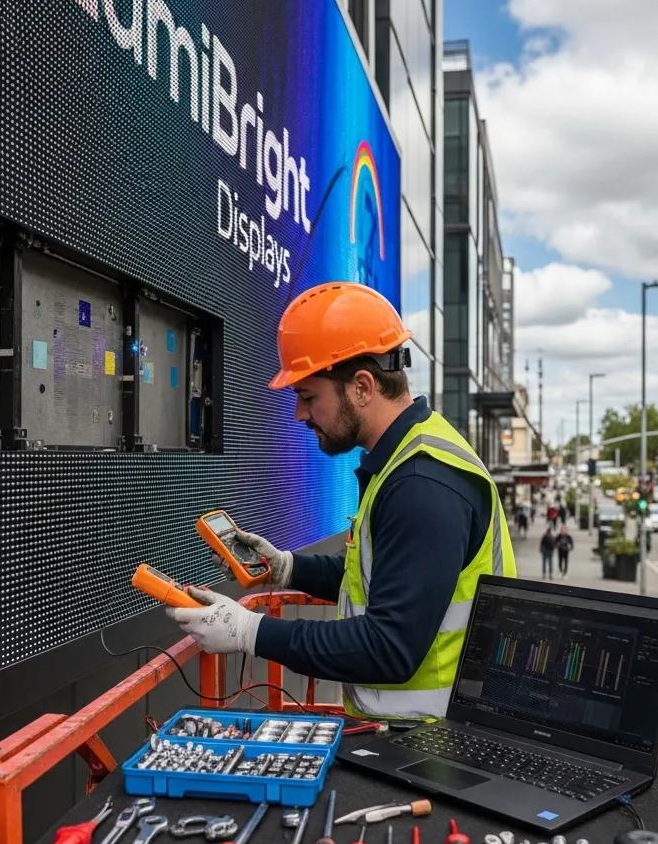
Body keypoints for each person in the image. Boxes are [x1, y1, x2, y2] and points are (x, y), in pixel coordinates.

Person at [168, 281, 516, 720]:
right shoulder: (409, 457)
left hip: (437, 744)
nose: (299, 414)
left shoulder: (422, 484)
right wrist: (289, 567)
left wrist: (249, 632)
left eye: (308, 396)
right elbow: (382, 576)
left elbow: (388, 649)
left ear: (363, 387)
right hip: (420, 735)